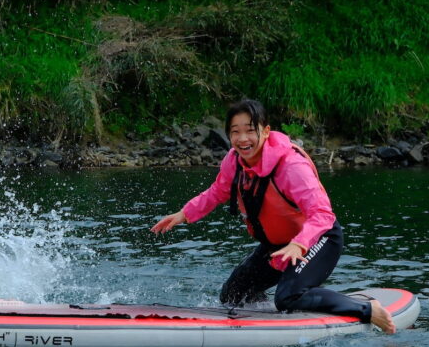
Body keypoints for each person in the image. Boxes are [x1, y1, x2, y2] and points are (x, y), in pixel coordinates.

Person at [151, 99, 396, 333]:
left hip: (318, 240)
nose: (242, 139)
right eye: (235, 132)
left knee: (289, 295)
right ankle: (273, 319)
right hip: (279, 246)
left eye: (250, 130)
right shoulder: (234, 161)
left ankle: (367, 309)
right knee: (233, 295)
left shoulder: (291, 167)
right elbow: (217, 192)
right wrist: (184, 214)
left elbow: (322, 214)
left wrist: (299, 244)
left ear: (266, 131)